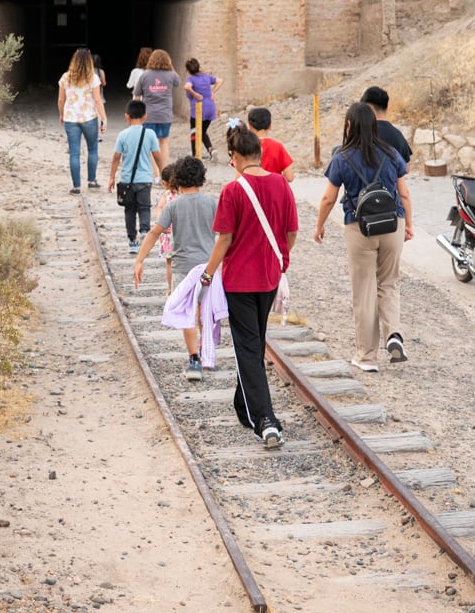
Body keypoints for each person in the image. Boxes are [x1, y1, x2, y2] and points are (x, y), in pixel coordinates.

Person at [197, 121, 298, 449]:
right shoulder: (281, 185)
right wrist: (280, 259)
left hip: (239, 280)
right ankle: (244, 407)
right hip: (269, 278)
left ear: (237, 156)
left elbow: (224, 239)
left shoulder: (233, 190)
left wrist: (207, 275)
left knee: (248, 346)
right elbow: (291, 232)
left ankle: (265, 420)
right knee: (255, 341)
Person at [313, 102, 414, 372]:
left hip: (360, 228)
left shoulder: (342, 158)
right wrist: (408, 224)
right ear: (373, 125)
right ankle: (393, 333)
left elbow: (328, 198)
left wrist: (319, 226)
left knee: (364, 289)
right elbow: (404, 194)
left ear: (349, 126)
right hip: (392, 224)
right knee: (389, 282)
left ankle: (367, 357)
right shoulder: (392, 154)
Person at [136, 157, 221, 379]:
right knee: (205, 311)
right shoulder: (212, 203)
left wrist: (139, 260)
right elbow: (226, 235)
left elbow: (154, 232)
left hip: (183, 268)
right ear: (201, 178)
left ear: (177, 179)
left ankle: (194, 359)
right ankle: (205, 350)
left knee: (188, 313)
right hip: (209, 267)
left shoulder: (173, 205)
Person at [106, 99, 164, 254]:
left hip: (127, 180)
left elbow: (116, 158)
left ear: (127, 116)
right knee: (144, 207)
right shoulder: (150, 134)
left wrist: (112, 177)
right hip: (145, 179)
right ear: (145, 116)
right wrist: (163, 173)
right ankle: (145, 230)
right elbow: (157, 156)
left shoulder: (123, 135)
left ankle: (132, 241)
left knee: (129, 210)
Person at [57, 48, 108, 194]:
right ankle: (92, 181)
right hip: (89, 118)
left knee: (74, 153)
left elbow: (61, 99)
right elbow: (97, 100)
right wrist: (104, 118)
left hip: (71, 119)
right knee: (92, 149)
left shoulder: (65, 77)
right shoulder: (93, 78)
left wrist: (61, 114)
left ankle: (76, 187)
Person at [135, 49, 180, 150]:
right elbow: (178, 81)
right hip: (165, 115)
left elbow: (137, 95)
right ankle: (163, 161)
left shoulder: (145, 75)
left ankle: (151, 161)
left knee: (149, 142)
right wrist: (171, 66)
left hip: (149, 115)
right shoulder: (171, 75)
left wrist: (137, 113)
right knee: (163, 141)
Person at [359, 86, 412, 162]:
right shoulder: (398, 135)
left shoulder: (361, 134)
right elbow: (406, 166)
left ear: (368, 108)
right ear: (386, 108)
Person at [246, 107, 296, 181]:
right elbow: (289, 177)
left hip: (252, 187)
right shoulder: (277, 146)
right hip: (274, 187)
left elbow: (239, 177)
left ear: (250, 126)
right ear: (270, 126)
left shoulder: (245, 146)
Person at [183, 58, 220, 156]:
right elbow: (220, 80)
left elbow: (187, 87)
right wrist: (213, 91)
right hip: (210, 108)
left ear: (188, 70)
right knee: (202, 131)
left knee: (194, 132)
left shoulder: (191, 79)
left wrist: (195, 94)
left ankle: (195, 155)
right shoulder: (207, 77)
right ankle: (211, 149)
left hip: (198, 110)